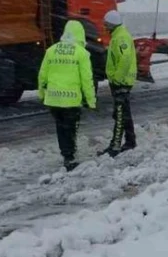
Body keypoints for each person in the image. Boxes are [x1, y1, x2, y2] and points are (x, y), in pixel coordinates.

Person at [38, 20, 97, 171]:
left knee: (61, 127)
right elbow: (87, 79)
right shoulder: (81, 53)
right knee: (71, 128)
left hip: (53, 99)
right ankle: (70, 157)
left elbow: (42, 76)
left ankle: (66, 154)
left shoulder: (51, 50)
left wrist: (42, 94)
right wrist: (91, 101)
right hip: (71, 100)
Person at [100, 10, 137, 156]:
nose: (104, 27)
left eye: (106, 25)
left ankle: (115, 146)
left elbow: (125, 59)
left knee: (120, 114)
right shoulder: (118, 35)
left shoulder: (120, 38)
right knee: (124, 113)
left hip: (121, 82)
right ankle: (130, 141)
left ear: (111, 25)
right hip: (122, 81)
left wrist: (117, 78)